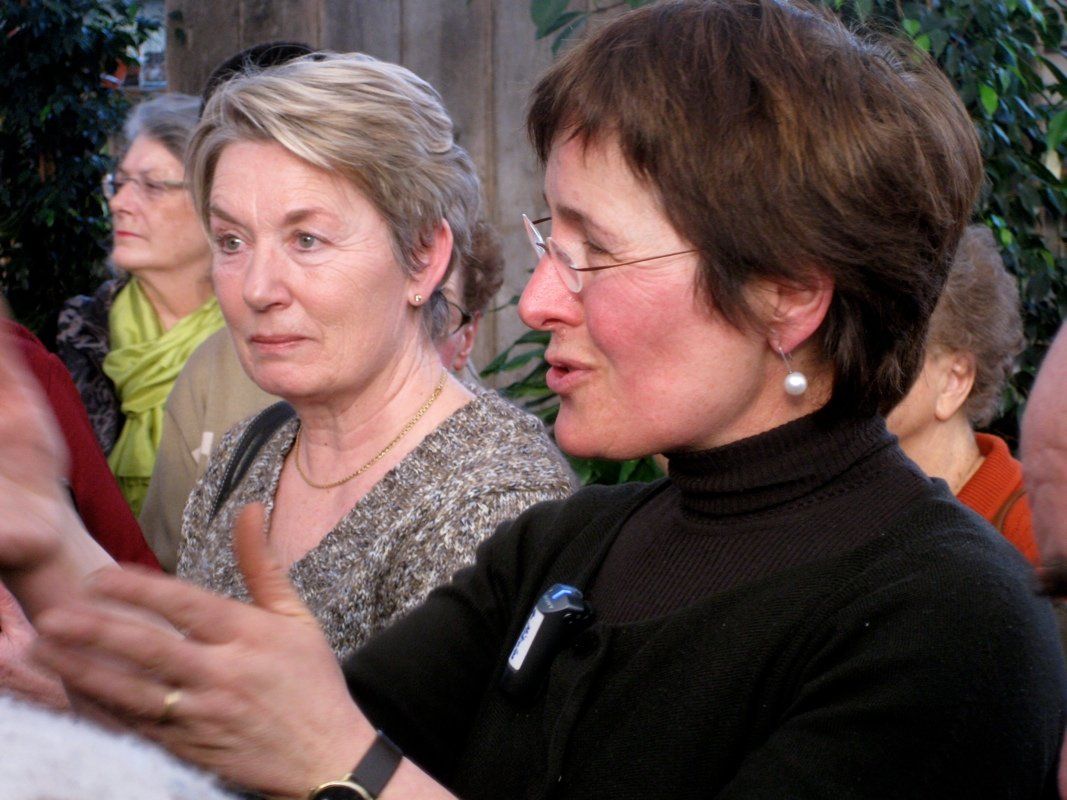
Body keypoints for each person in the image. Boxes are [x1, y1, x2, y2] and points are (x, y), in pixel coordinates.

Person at [5, 2, 1066, 798]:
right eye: (547, 240)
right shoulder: (565, 549)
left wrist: (348, 765)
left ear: (788, 294)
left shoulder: (950, 625)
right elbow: (239, 757)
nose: (537, 298)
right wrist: (45, 538)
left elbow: (330, 747)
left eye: (591, 250)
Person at [139, 217, 507, 572]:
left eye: (438, 306)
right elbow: (165, 566)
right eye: (231, 242)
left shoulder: (496, 483)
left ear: (468, 338)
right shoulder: (236, 409)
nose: (413, 321)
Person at [56, 93, 225, 517]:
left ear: (216, 204)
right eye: (119, 183)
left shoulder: (262, 342)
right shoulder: (81, 334)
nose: (118, 204)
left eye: (152, 186)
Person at [887, 224, 1037, 564]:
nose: (850, 362)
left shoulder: (1035, 529)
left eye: (886, 349)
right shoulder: (846, 502)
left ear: (954, 380)